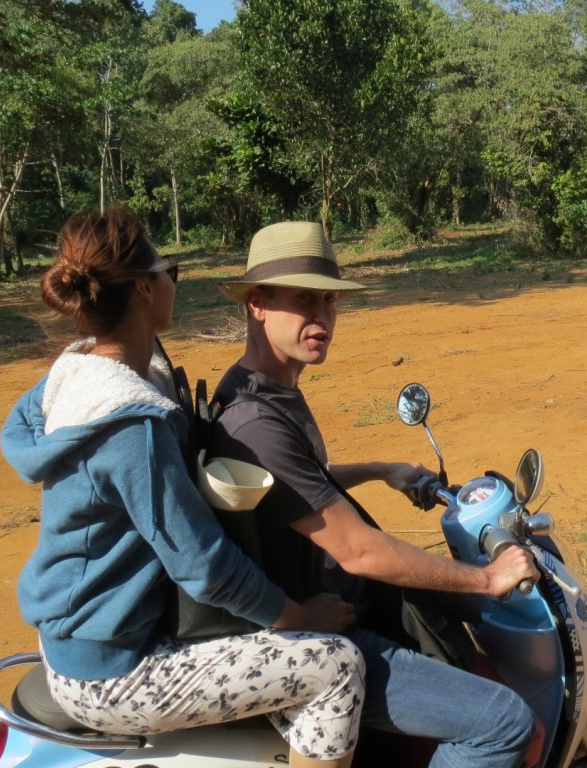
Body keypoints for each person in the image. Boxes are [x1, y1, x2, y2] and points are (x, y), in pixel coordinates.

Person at [0, 209, 364, 768]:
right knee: (338, 667)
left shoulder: (79, 372)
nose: (175, 280)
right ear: (145, 289)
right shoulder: (129, 425)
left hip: (85, 632)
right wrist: (299, 616)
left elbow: (17, 425)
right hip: (115, 667)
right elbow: (206, 567)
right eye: (170, 269)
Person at [210, 221, 541, 768]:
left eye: (329, 301)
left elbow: (295, 485)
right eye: (303, 300)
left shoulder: (266, 390)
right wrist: (488, 577)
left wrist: (378, 468)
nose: (322, 317)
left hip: (334, 600)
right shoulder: (256, 421)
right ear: (257, 303)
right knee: (503, 722)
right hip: (326, 634)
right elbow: (358, 550)